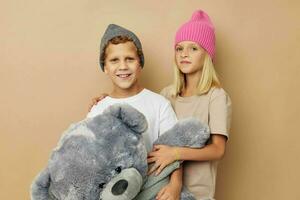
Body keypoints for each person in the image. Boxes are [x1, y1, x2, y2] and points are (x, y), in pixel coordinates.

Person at [90, 10, 232, 199]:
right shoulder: (168, 94)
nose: (184, 54)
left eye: (194, 48)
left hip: (197, 190)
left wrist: (175, 154)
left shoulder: (216, 97)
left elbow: (218, 149)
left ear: (207, 54)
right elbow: (139, 104)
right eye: (179, 48)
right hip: (159, 186)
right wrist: (110, 100)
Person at [87, 24, 182, 200]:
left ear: (140, 64)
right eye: (114, 60)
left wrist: (175, 186)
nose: (123, 66)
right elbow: (90, 159)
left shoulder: (159, 104)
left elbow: (174, 152)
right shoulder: (98, 109)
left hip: (153, 191)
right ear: (105, 67)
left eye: (130, 59)